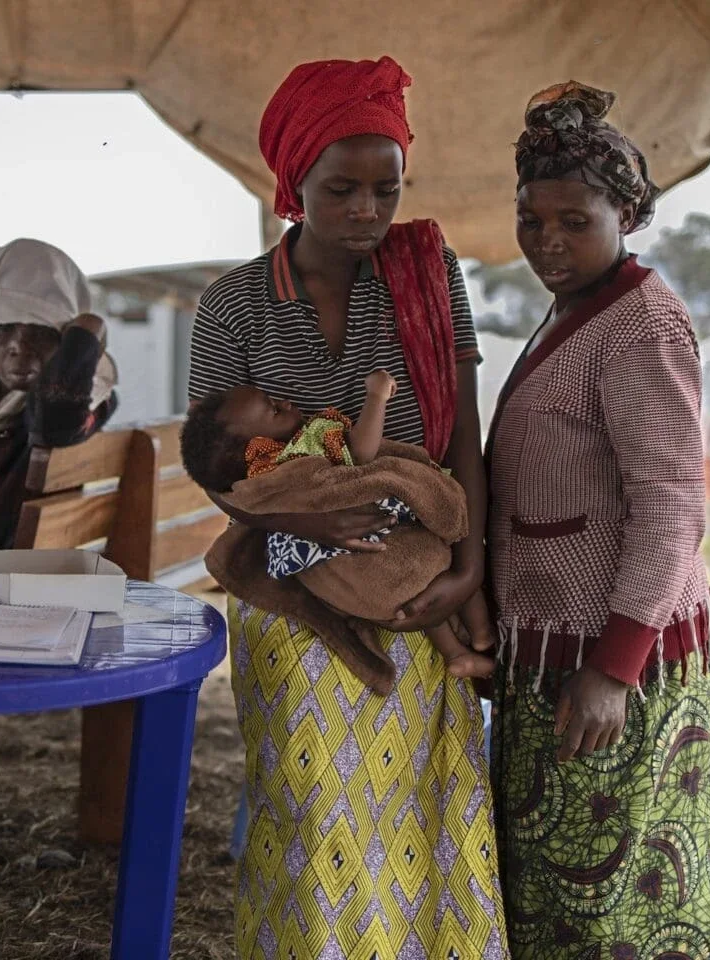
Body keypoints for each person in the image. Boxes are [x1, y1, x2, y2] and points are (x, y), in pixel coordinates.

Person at [189, 57, 506, 959]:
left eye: (386, 189)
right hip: (293, 597)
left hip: (418, 578)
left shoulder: (427, 271)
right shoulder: (234, 305)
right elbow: (215, 465)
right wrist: (304, 522)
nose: (368, 211)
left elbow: (462, 433)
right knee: (314, 808)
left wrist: (468, 565)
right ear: (293, 184)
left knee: (424, 806)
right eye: (342, 189)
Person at [488, 82, 710, 959]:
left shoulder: (640, 325)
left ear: (627, 211)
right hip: (558, 642)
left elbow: (672, 507)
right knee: (574, 878)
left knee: (617, 892)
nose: (547, 241)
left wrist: (615, 666)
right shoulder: (573, 308)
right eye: (530, 219)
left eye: (574, 220)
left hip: (612, 658)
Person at [182, 376, 494, 677]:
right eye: (275, 409)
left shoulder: (256, 484)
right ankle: (480, 634)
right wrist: (377, 397)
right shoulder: (302, 452)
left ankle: (456, 654)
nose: (286, 401)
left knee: (424, 589)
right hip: (378, 559)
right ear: (257, 446)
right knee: (441, 555)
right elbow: (362, 452)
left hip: (349, 585)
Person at [0, 237, 119, 564]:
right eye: (1, 329)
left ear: (65, 339)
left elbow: (55, 425)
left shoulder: (88, 397)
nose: (18, 346)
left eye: (39, 331)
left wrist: (87, 332)